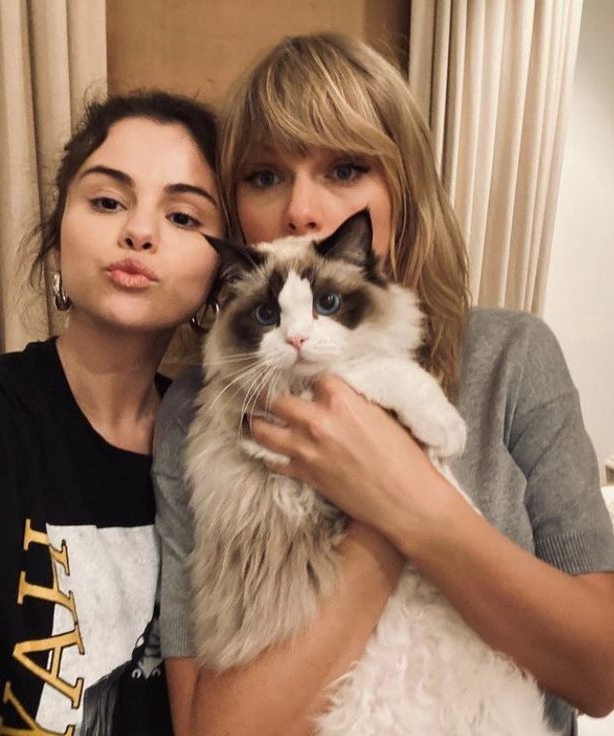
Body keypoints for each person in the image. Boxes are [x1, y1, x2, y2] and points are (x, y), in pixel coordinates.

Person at [152, 33, 614, 736]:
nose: (302, 210)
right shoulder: (199, 409)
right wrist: (376, 531)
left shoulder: (513, 357)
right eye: (265, 175)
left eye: (343, 168)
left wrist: (409, 495)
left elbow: (600, 674)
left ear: (401, 189)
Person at [0, 91, 224, 735]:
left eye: (181, 217)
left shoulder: (225, 456)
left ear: (219, 274)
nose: (139, 232)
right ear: (58, 242)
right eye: (107, 201)